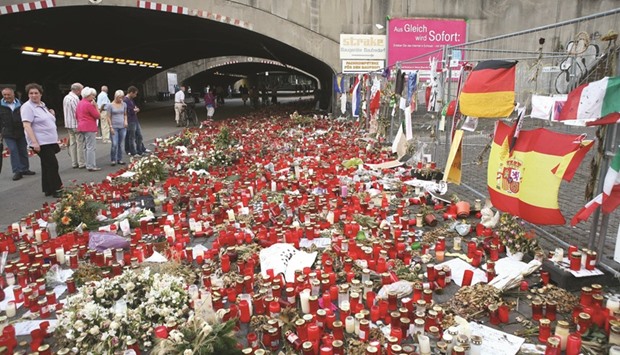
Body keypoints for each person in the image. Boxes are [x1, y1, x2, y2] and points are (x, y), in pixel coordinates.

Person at [21, 83, 63, 198]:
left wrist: (51, 114)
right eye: (31, 93)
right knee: (52, 164)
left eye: (36, 93)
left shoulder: (42, 105)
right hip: (41, 142)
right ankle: (57, 188)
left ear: (41, 94)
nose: (33, 95)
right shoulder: (27, 107)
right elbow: (27, 125)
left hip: (49, 140)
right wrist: (34, 142)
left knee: (46, 165)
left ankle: (48, 188)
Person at [1, 87, 35, 181]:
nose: (6, 97)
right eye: (4, 95)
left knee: (23, 150)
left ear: (13, 94)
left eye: (8, 95)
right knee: (13, 150)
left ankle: (25, 169)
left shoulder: (21, 104)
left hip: (21, 131)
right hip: (8, 132)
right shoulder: (1, 105)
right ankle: (17, 171)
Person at [76, 87, 101, 172]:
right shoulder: (88, 104)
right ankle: (91, 165)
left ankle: (87, 163)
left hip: (81, 126)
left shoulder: (79, 103)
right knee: (91, 147)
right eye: (92, 95)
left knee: (85, 146)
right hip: (89, 127)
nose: (93, 97)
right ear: (88, 95)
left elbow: (76, 115)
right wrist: (96, 106)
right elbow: (98, 116)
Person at [63, 82, 85, 169]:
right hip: (75, 124)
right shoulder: (75, 99)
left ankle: (74, 162)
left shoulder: (66, 97)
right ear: (78, 90)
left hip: (68, 123)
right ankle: (81, 163)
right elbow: (78, 112)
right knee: (79, 143)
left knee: (72, 143)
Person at [124, 86, 148, 156]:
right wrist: (134, 110)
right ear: (131, 93)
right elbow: (129, 111)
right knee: (132, 136)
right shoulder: (126, 100)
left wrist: (135, 109)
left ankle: (139, 150)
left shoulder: (131, 100)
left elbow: (135, 107)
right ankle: (133, 152)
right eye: (135, 94)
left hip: (135, 119)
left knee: (139, 136)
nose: (135, 96)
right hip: (130, 120)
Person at [106, 90, 128, 166]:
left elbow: (125, 114)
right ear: (116, 97)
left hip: (122, 126)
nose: (121, 99)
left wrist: (125, 121)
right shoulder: (110, 105)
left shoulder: (124, 104)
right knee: (114, 144)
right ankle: (113, 159)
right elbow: (108, 117)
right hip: (114, 126)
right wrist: (110, 126)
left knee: (120, 143)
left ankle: (120, 159)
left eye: (122, 97)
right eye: (119, 98)